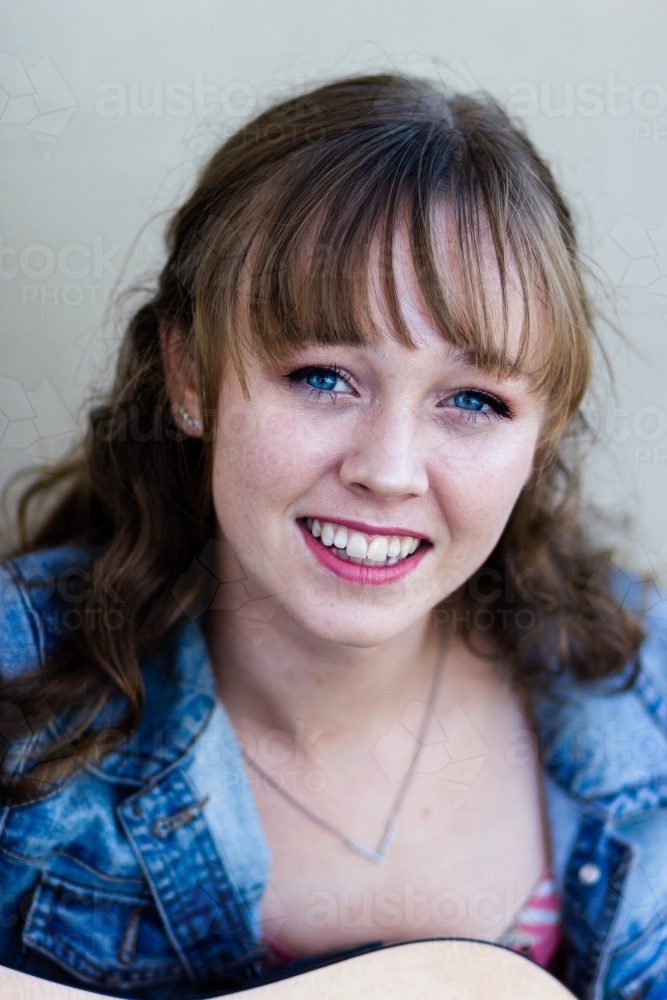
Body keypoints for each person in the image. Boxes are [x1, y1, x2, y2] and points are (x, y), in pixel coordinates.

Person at [0, 73, 665, 1000]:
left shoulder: (648, 694)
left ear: (540, 440)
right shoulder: (16, 697)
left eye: (472, 400)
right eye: (321, 377)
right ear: (189, 375)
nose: (388, 470)